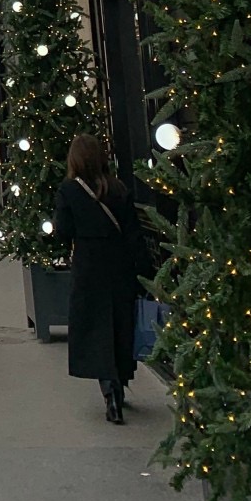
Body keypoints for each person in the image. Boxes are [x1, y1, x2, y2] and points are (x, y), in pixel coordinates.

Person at [53, 134, 150, 424]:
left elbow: (62, 231)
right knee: (120, 323)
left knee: (95, 326)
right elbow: (133, 232)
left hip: (88, 266)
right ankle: (120, 383)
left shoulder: (69, 190)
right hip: (119, 265)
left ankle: (109, 391)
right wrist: (143, 269)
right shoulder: (118, 189)